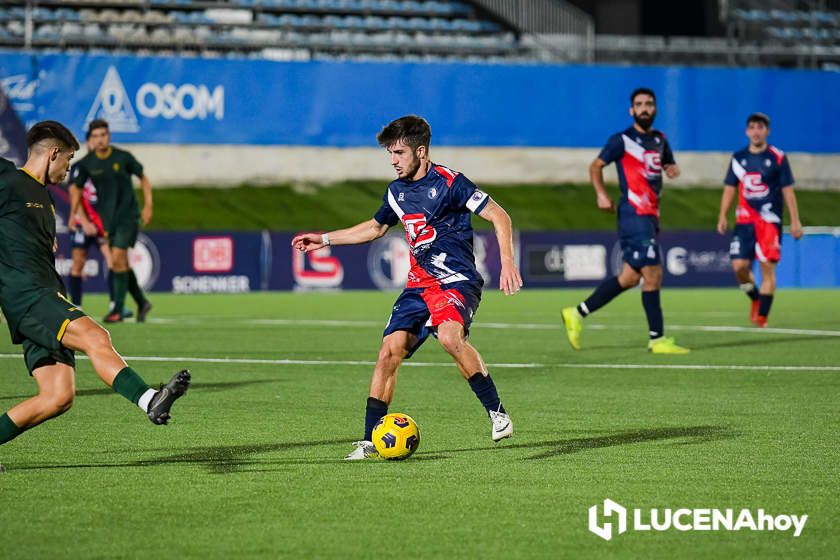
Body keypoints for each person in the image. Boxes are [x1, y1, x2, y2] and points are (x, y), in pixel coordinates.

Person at [292, 115, 523, 460]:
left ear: (421, 150)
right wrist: (324, 239)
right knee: (388, 352)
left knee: (449, 338)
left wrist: (506, 262)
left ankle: (497, 412)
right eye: (390, 153)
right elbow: (374, 228)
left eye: (399, 152)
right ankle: (370, 440)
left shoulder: (451, 183)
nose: (393, 160)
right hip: (417, 287)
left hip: (455, 281)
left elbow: (499, 216)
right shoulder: (395, 192)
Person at [0, 121, 190, 471]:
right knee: (96, 336)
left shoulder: (42, 195)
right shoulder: (8, 179)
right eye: (69, 160)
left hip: (42, 292)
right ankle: (150, 400)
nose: (70, 168)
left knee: (58, 397)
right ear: (53, 153)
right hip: (28, 295)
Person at [561, 87, 689, 354]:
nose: (644, 108)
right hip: (633, 214)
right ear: (631, 110)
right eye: (639, 104)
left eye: (649, 104)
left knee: (630, 278)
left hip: (649, 217)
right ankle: (657, 339)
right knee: (653, 273)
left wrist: (671, 169)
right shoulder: (621, 140)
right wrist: (601, 194)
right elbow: (596, 166)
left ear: (655, 109)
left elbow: (663, 168)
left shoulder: (661, 140)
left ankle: (576, 313)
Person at [716, 112, 802, 327]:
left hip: (769, 222)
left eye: (760, 127)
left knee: (767, 269)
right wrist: (722, 215)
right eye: (752, 127)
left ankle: (762, 316)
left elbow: (788, 191)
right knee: (739, 268)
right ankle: (756, 298)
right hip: (744, 221)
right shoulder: (738, 159)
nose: (756, 131)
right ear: (747, 131)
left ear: (767, 131)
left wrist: (795, 220)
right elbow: (729, 188)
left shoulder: (778, 157)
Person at [68, 119, 152, 323]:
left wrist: (148, 205)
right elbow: (76, 189)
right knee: (119, 262)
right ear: (90, 139)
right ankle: (141, 302)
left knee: (116, 258)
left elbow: (143, 177)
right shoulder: (88, 164)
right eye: (95, 136)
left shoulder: (123, 157)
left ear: (109, 136)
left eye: (103, 135)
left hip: (128, 217)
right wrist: (74, 214)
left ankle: (117, 309)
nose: (100, 140)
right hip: (107, 221)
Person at [66, 137, 131, 317]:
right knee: (78, 263)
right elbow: (75, 195)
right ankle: (76, 307)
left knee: (113, 261)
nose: (99, 143)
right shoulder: (80, 167)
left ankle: (115, 306)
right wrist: (85, 222)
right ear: (88, 143)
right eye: (94, 139)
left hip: (103, 223)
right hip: (83, 223)